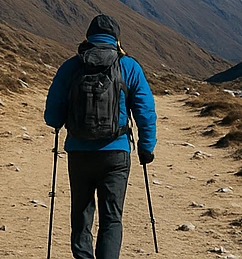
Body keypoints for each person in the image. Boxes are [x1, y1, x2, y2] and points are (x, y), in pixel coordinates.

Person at [44, 14, 157, 259]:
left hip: (79, 151)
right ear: (116, 39)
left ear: (88, 37)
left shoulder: (72, 66)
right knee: (111, 218)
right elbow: (145, 110)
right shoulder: (128, 67)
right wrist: (146, 147)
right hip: (116, 153)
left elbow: (52, 117)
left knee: (82, 215)